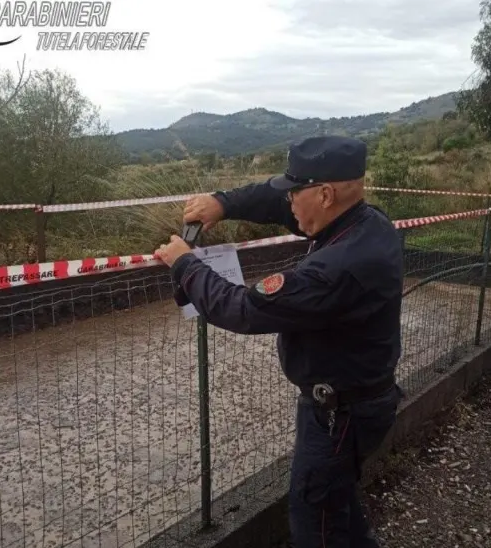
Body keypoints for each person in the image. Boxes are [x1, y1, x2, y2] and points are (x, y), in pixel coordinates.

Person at [151, 136, 405, 547]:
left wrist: (185, 265)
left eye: (294, 192)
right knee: (337, 509)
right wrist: (224, 203)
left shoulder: (334, 269)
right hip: (362, 402)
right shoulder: (366, 223)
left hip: (339, 416)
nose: (287, 202)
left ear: (324, 194)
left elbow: (243, 308)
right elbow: (276, 206)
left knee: (315, 524)